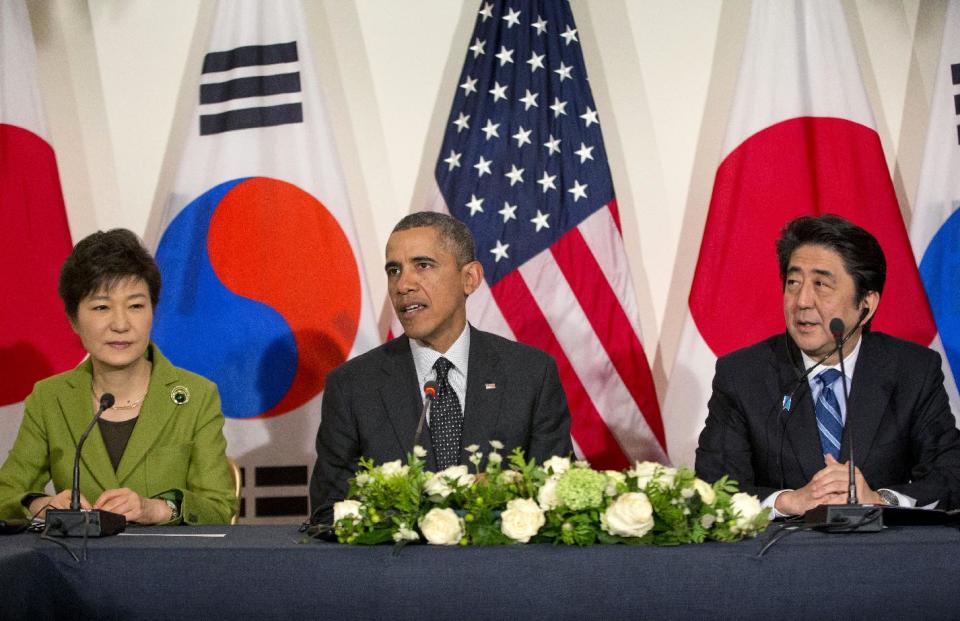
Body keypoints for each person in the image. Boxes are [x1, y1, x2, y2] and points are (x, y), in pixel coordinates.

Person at [310, 211, 573, 521]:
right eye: (394, 270)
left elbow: (558, 498)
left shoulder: (529, 374)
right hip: (394, 567)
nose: (403, 284)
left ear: (469, 278)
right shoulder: (353, 386)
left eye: (423, 265)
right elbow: (328, 512)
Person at [696, 214, 960, 516]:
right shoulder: (743, 375)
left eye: (821, 284)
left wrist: (879, 500)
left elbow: (951, 476)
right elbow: (713, 486)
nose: (802, 301)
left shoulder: (912, 370)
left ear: (866, 304)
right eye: (793, 283)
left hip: (882, 555)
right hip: (780, 557)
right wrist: (788, 502)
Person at [0, 229, 237, 524]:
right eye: (102, 307)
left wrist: (159, 509)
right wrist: (42, 505)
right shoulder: (50, 398)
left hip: (166, 566)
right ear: (73, 319)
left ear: (153, 312)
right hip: (76, 566)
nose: (121, 324)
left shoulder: (197, 396)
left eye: (136, 305)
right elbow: (5, 495)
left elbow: (219, 507)